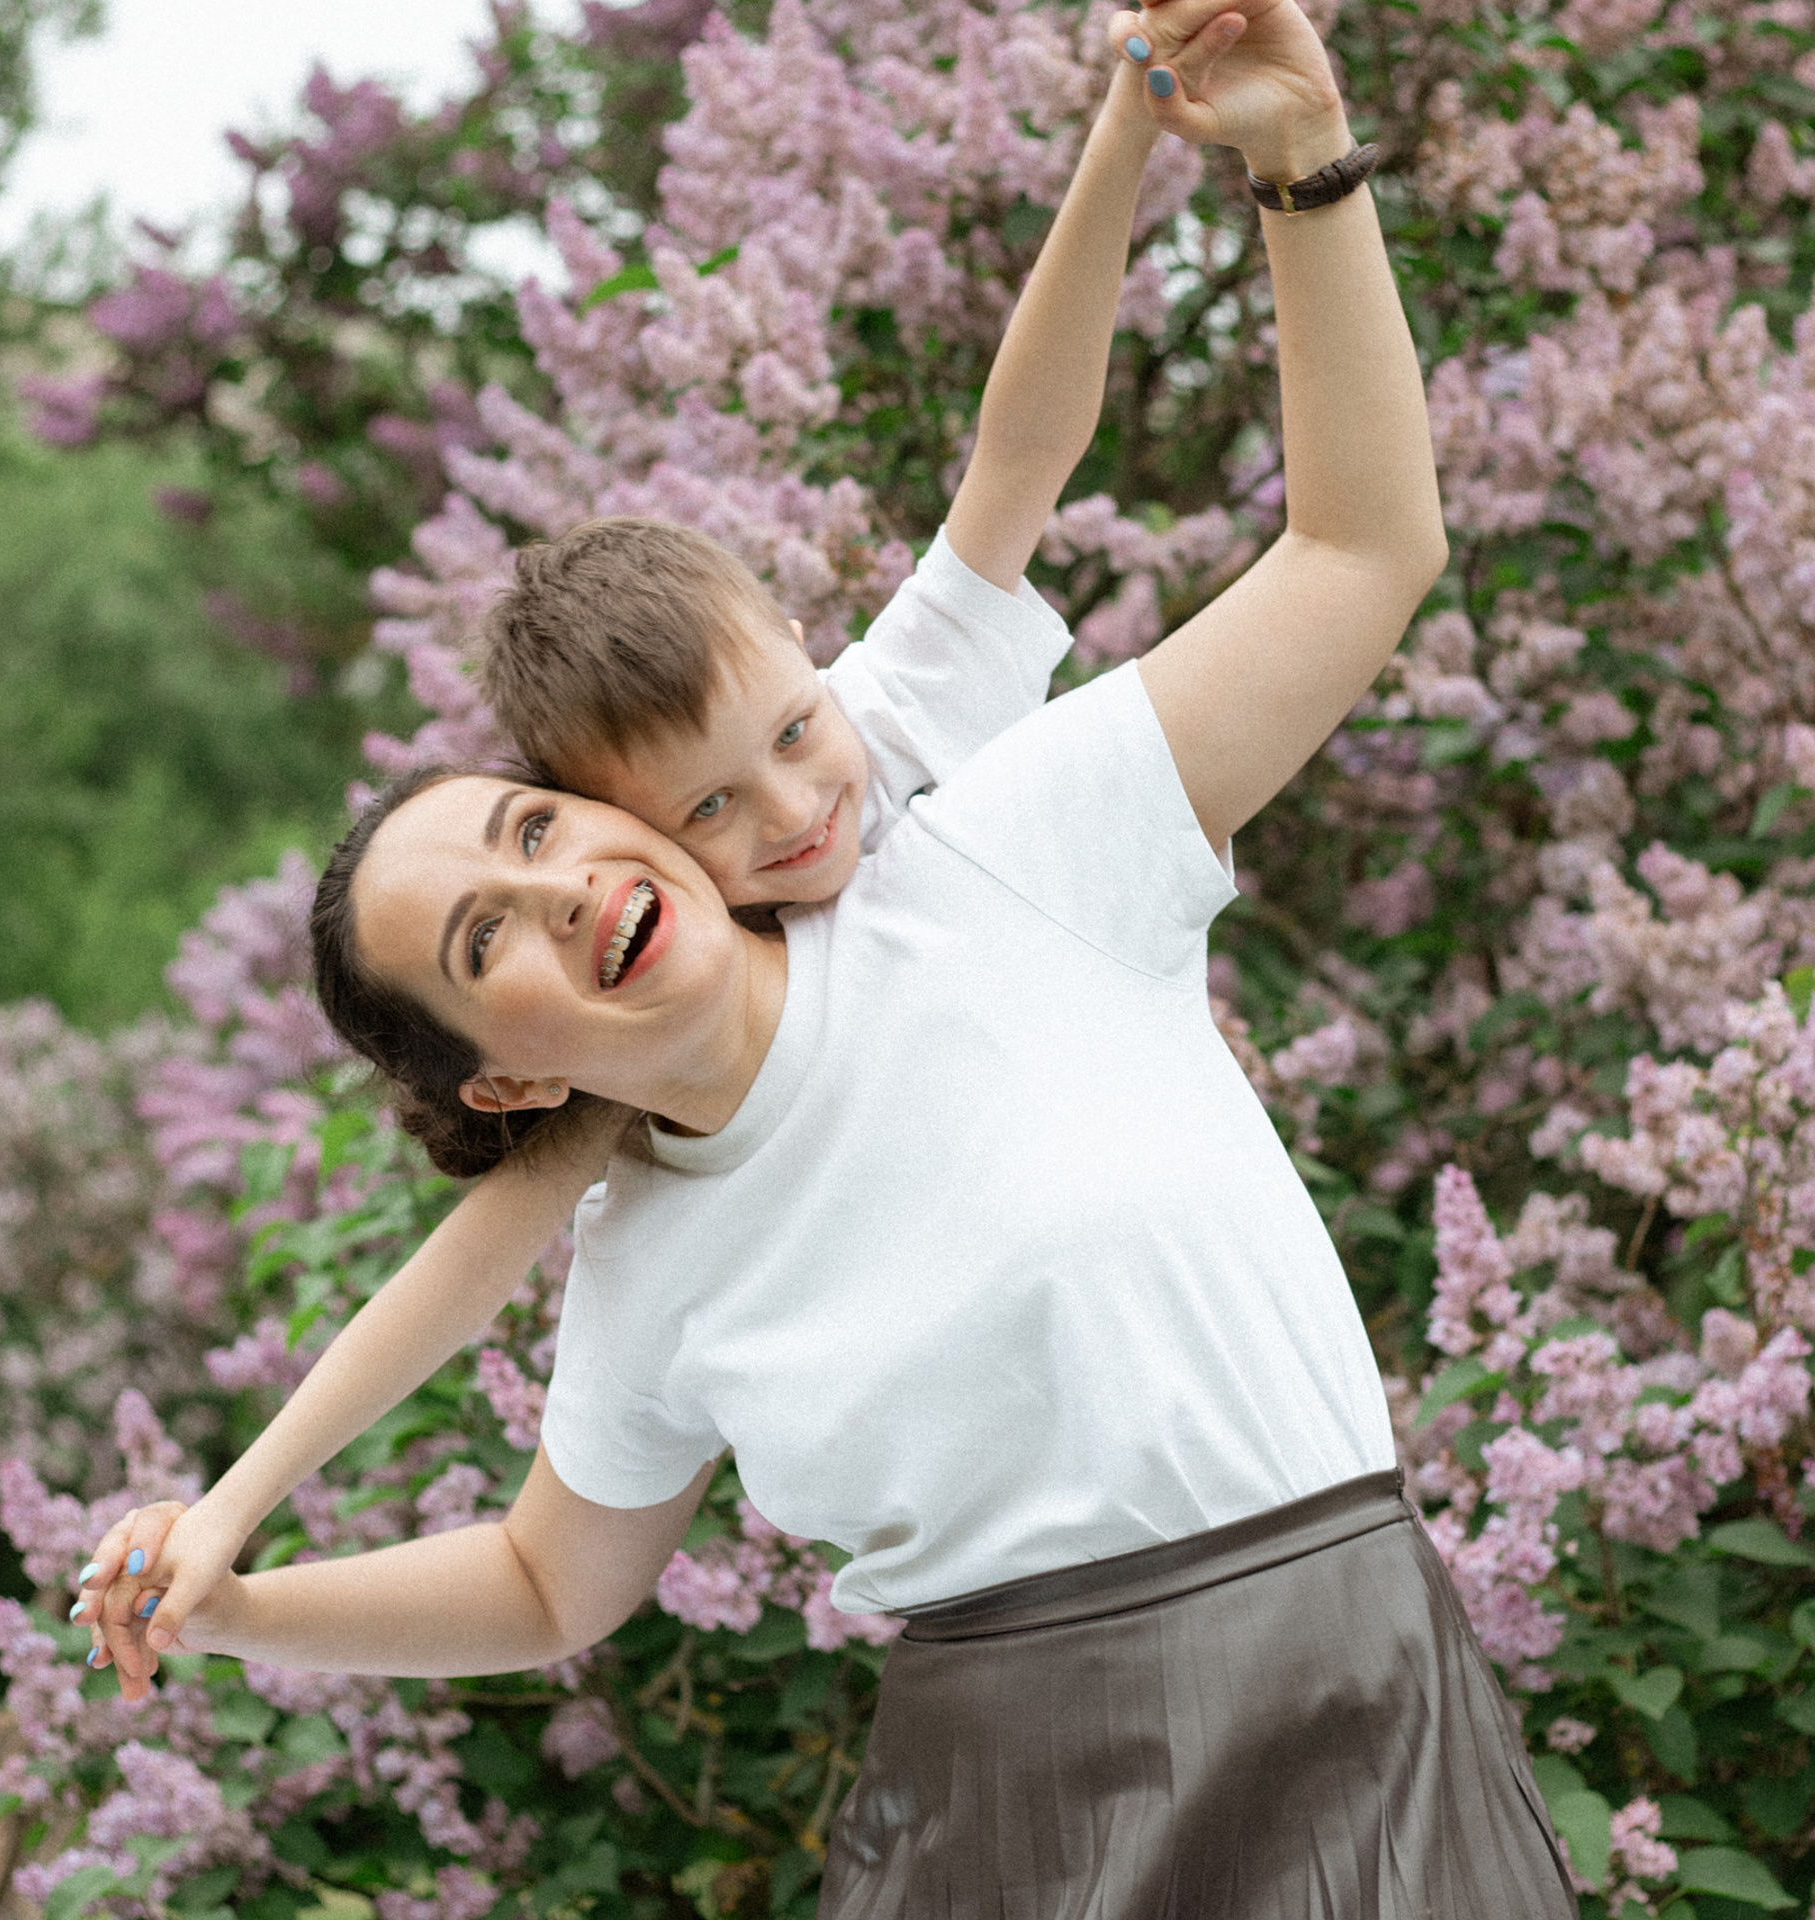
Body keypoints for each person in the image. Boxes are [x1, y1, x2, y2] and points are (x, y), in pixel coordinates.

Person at [76, 2, 1579, 1912]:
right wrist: (228, 1594)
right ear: (508, 1075)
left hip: (1351, 1689)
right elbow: (552, 1579)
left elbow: (1358, 546)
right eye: (483, 936)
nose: (550, 892)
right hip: (999, 1812)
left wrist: (1298, 155)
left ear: (604, 816)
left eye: (533, 834)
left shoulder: (1005, 847)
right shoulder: (639, 1247)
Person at [67, 0, 1179, 1654]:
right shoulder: (666, 1014)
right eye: (711, 810)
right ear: (637, 824)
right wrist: (230, 1518)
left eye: (796, 739)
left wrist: (1128, 127)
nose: (797, 815)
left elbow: (1021, 453)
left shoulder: (883, 722)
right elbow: (466, 1274)